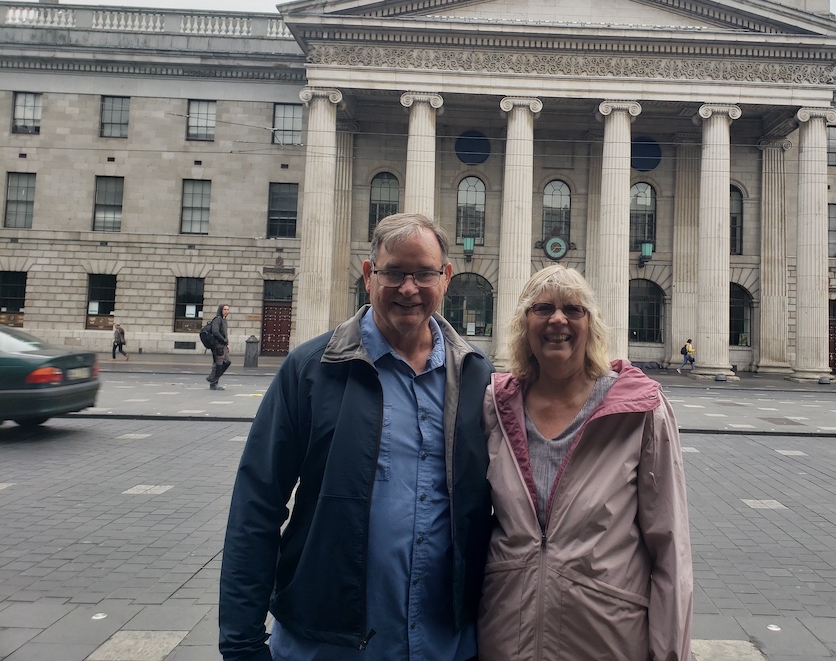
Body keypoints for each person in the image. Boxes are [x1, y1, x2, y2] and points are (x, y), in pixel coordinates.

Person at [219, 213, 494, 661]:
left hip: (445, 645)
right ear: (369, 275)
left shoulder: (477, 376)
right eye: (393, 273)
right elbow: (256, 506)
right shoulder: (311, 369)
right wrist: (241, 644)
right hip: (326, 646)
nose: (409, 288)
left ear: (445, 277)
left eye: (424, 273)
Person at [477, 265, 692, 661]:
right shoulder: (496, 405)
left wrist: (669, 653)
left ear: (591, 324)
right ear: (524, 323)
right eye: (543, 308)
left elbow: (670, 548)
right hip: (508, 637)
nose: (557, 319)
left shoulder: (641, 410)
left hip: (606, 639)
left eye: (573, 310)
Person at [206, 304, 230, 391]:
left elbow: (224, 333)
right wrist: (223, 340)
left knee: (227, 361)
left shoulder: (224, 320)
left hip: (223, 345)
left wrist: (227, 344)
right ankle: (213, 383)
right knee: (218, 364)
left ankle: (212, 377)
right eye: (224, 309)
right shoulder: (217, 319)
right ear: (221, 310)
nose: (226, 311)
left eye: (227, 309)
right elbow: (215, 332)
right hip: (218, 345)